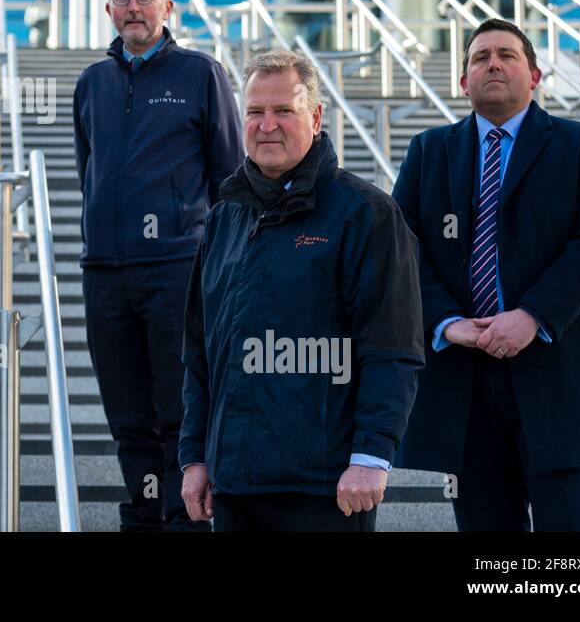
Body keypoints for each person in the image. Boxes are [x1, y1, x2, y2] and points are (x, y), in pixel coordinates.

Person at [392, 19, 580, 531]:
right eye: (479, 58)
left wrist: (533, 315)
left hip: (555, 369)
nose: (492, 63)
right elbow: (401, 248)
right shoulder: (428, 152)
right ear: (463, 82)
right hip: (463, 379)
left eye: (506, 55)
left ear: (535, 75)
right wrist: (446, 321)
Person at [180, 50, 424, 531]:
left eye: (283, 111)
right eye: (255, 112)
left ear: (314, 116)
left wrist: (373, 454)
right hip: (236, 485)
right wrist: (194, 455)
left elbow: (392, 348)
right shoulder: (224, 217)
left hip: (326, 487)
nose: (267, 125)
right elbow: (199, 350)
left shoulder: (365, 214)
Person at [72, 0, 243, 531]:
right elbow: (87, 171)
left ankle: (183, 518)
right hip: (105, 273)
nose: (133, 7)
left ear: (168, 7)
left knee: (179, 408)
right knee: (127, 415)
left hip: (177, 268)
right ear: (108, 10)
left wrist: (219, 265)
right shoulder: (92, 83)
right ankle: (142, 516)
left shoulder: (200, 74)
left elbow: (229, 178)